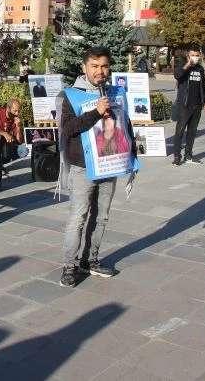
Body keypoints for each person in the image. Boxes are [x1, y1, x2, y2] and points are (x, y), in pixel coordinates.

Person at [59, 46, 134, 287]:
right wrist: (95, 113)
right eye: (94, 66)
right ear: (84, 68)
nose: (100, 71)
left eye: (104, 66)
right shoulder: (72, 95)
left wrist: (132, 156)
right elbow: (68, 129)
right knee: (78, 218)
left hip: (109, 163)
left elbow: (125, 124)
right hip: (83, 167)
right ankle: (69, 265)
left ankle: (89, 260)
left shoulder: (115, 92)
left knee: (101, 217)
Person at [173, 46, 205, 166]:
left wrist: (204, 101)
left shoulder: (200, 69)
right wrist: (187, 65)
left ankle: (188, 155)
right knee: (179, 131)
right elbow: (177, 75)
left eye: (197, 55)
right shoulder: (182, 66)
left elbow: (203, 86)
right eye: (193, 55)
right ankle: (177, 156)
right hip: (184, 104)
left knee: (192, 131)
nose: (195, 57)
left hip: (197, 104)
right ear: (188, 56)